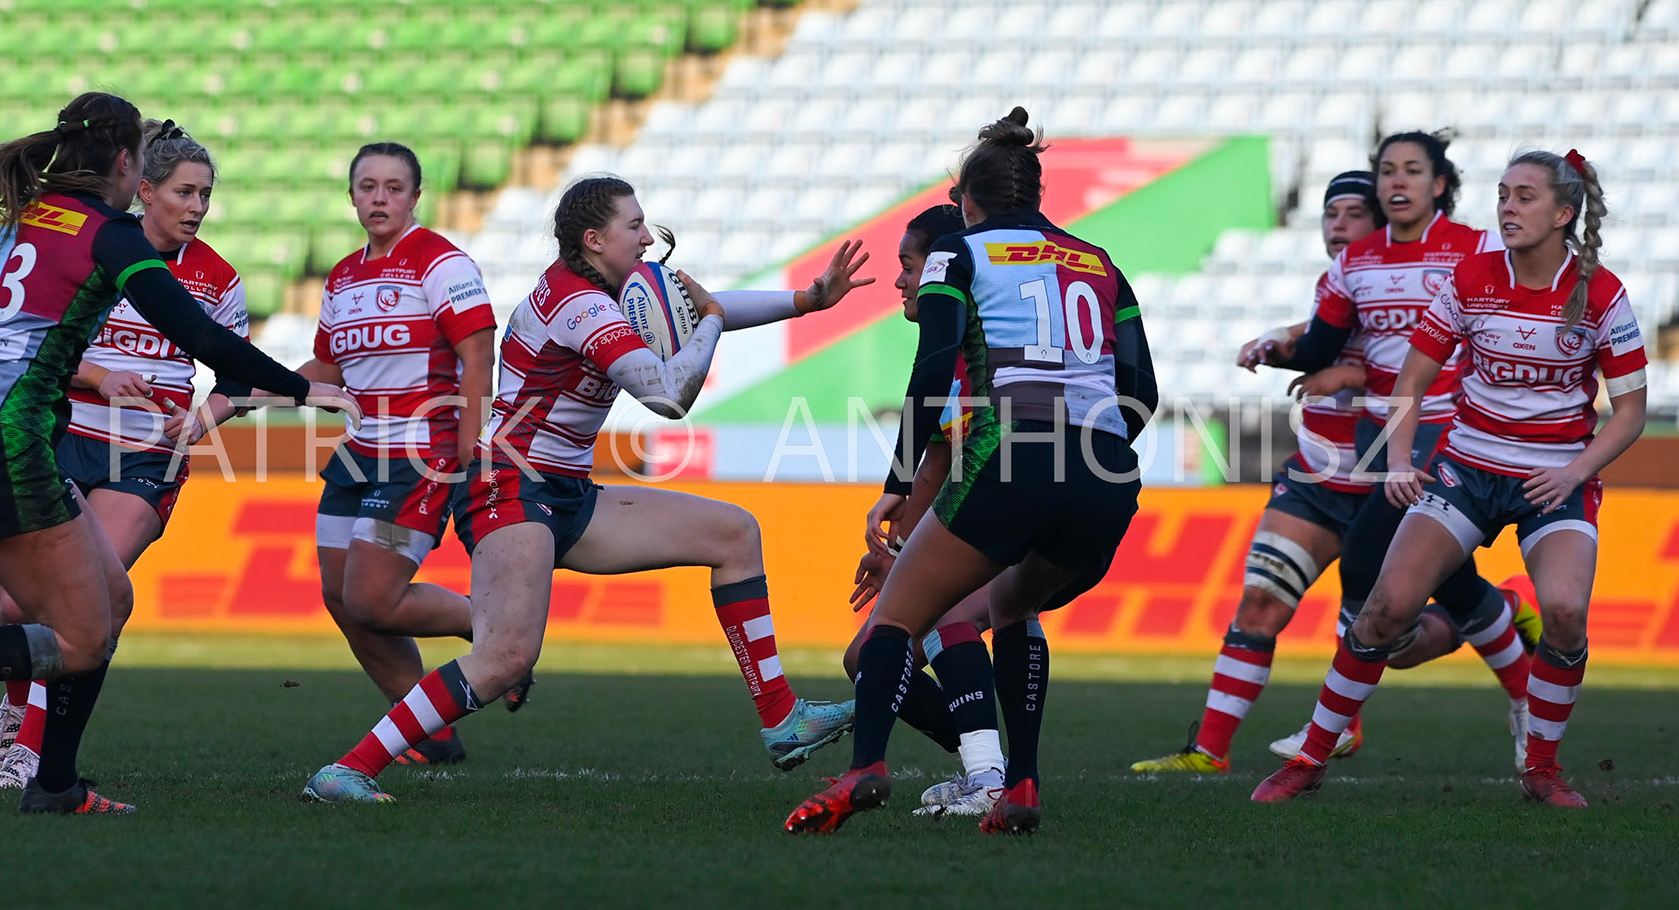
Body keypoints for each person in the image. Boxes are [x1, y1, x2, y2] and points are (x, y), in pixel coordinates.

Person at [0, 92, 353, 815]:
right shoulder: (108, 235)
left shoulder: (21, 221)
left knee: (109, 598)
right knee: (80, 635)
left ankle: (54, 782)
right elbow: (202, 340)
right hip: (9, 445)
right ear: (126, 164)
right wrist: (302, 391)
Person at [300, 174, 873, 804]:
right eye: (634, 226)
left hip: (563, 489)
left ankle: (782, 719)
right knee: (504, 660)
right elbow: (667, 393)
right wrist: (707, 322)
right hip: (509, 484)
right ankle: (348, 769)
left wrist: (804, 300)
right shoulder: (582, 305)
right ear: (595, 239)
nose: (648, 236)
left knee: (734, 533)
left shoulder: (613, 284)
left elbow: (701, 304)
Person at [785, 108, 1159, 835]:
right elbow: (1141, 391)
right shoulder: (1100, 262)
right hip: (1108, 473)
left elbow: (932, 372)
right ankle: (1018, 785)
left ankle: (865, 770)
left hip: (1013, 456)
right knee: (1013, 608)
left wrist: (896, 484)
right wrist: (1093, 454)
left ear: (965, 200)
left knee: (895, 618)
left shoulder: (960, 252)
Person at [1253, 149, 1641, 808]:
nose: (1507, 207)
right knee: (1385, 607)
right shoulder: (1472, 277)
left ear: (1564, 212)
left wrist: (1576, 470)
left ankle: (1540, 769)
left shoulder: (1601, 293)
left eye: (1524, 196)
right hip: (1466, 468)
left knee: (1568, 615)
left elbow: (1630, 412)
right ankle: (1313, 757)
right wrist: (1401, 460)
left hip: (1555, 478)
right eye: (1502, 194)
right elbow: (1412, 380)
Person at [0, 120, 254, 789]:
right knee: (18, 606)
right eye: (184, 192)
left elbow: (237, 386)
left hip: (144, 460)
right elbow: (28, 347)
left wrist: (198, 423)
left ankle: (37, 749)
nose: (196, 207)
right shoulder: (96, 250)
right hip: (65, 435)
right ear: (146, 190)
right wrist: (101, 378)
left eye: (206, 195)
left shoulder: (217, 276)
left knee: (89, 592)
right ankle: (17, 706)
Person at [1254, 132, 1542, 770]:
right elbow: (1321, 347)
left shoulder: (1477, 247)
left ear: (1439, 184)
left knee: (1362, 563)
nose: (1398, 181)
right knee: (1448, 575)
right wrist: (1276, 349)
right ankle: (1524, 691)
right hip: (1391, 437)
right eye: (1387, 171)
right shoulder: (1354, 262)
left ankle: (1332, 729)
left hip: (1461, 431)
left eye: (1413, 170)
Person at [292, 142, 503, 766]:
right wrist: (240, 394)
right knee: (342, 598)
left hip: (420, 455)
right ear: (352, 195)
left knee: (373, 599)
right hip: (357, 455)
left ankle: (490, 627)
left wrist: (468, 449)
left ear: (415, 196)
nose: (378, 197)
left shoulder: (441, 262)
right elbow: (326, 368)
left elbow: (476, 354)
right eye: (366, 186)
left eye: (392, 187)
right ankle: (429, 728)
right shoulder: (342, 276)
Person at [846, 202, 1011, 819]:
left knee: (939, 609)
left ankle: (990, 774)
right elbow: (936, 476)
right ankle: (998, 765)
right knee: (864, 659)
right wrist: (897, 555)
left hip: (1029, 520)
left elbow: (983, 480)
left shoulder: (977, 366)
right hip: (988, 525)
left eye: (907, 265)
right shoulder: (957, 361)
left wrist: (919, 564)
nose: (899, 281)